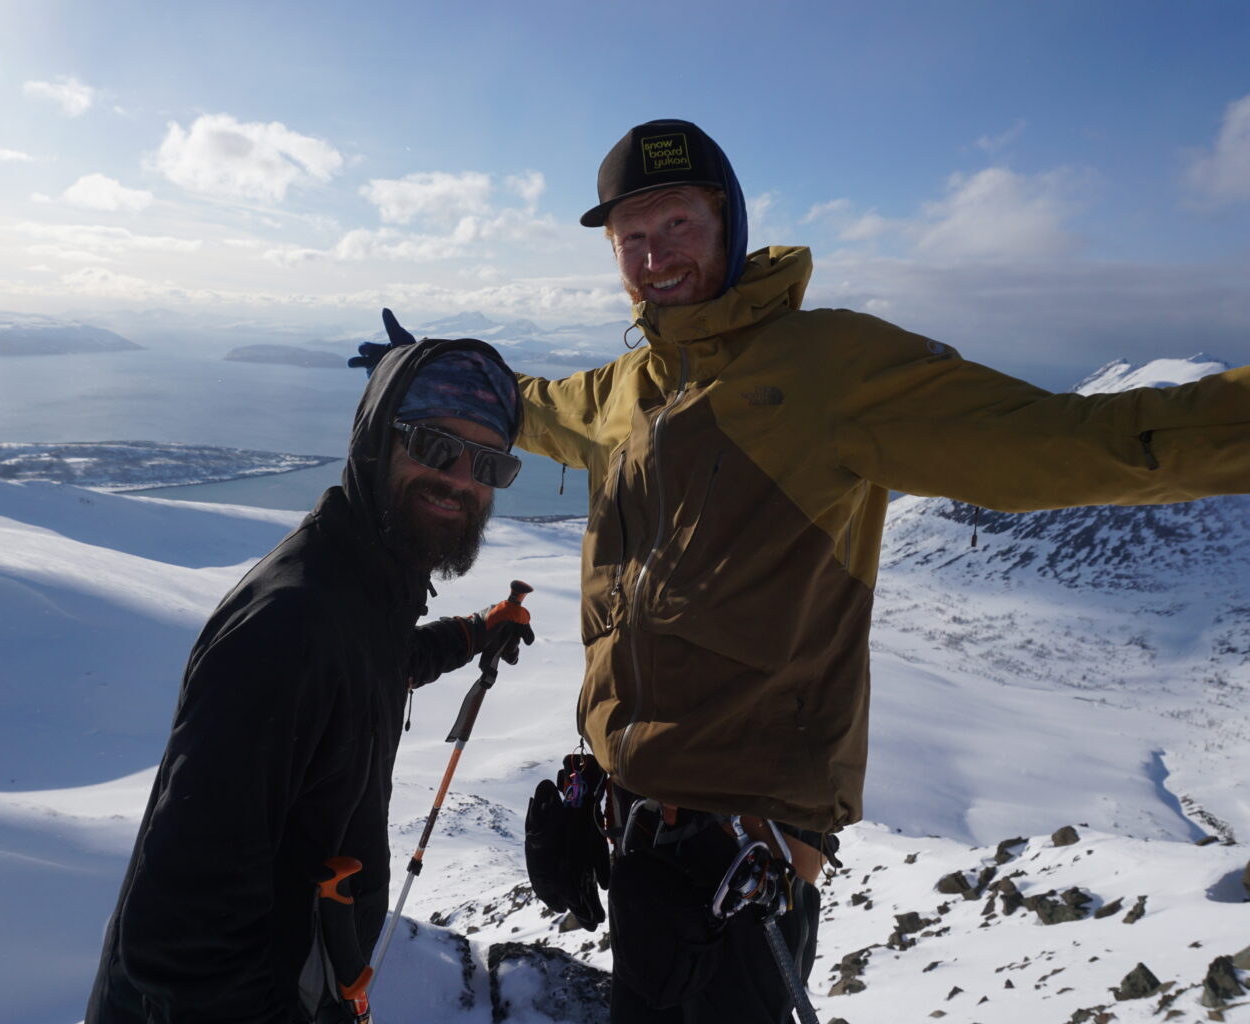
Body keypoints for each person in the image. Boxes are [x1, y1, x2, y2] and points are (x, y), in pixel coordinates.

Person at [371, 119, 1249, 1023]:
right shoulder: (631, 385)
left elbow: (1071, 441)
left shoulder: (831, 369)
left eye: (677, 225)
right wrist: (426, 372)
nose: (654, 256)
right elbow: (532, 408)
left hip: (742, 855)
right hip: (637, 817)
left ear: (730, 224)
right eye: (631, 238)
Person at [86, 336, 536, 1024]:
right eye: (435, 445)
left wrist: (478, 629)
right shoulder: (291, 625)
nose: (460, 478)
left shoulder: (365, 583)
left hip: (305, 978)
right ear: (376, 440)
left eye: (488, 462)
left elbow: (384, 665)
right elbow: (179, 938)